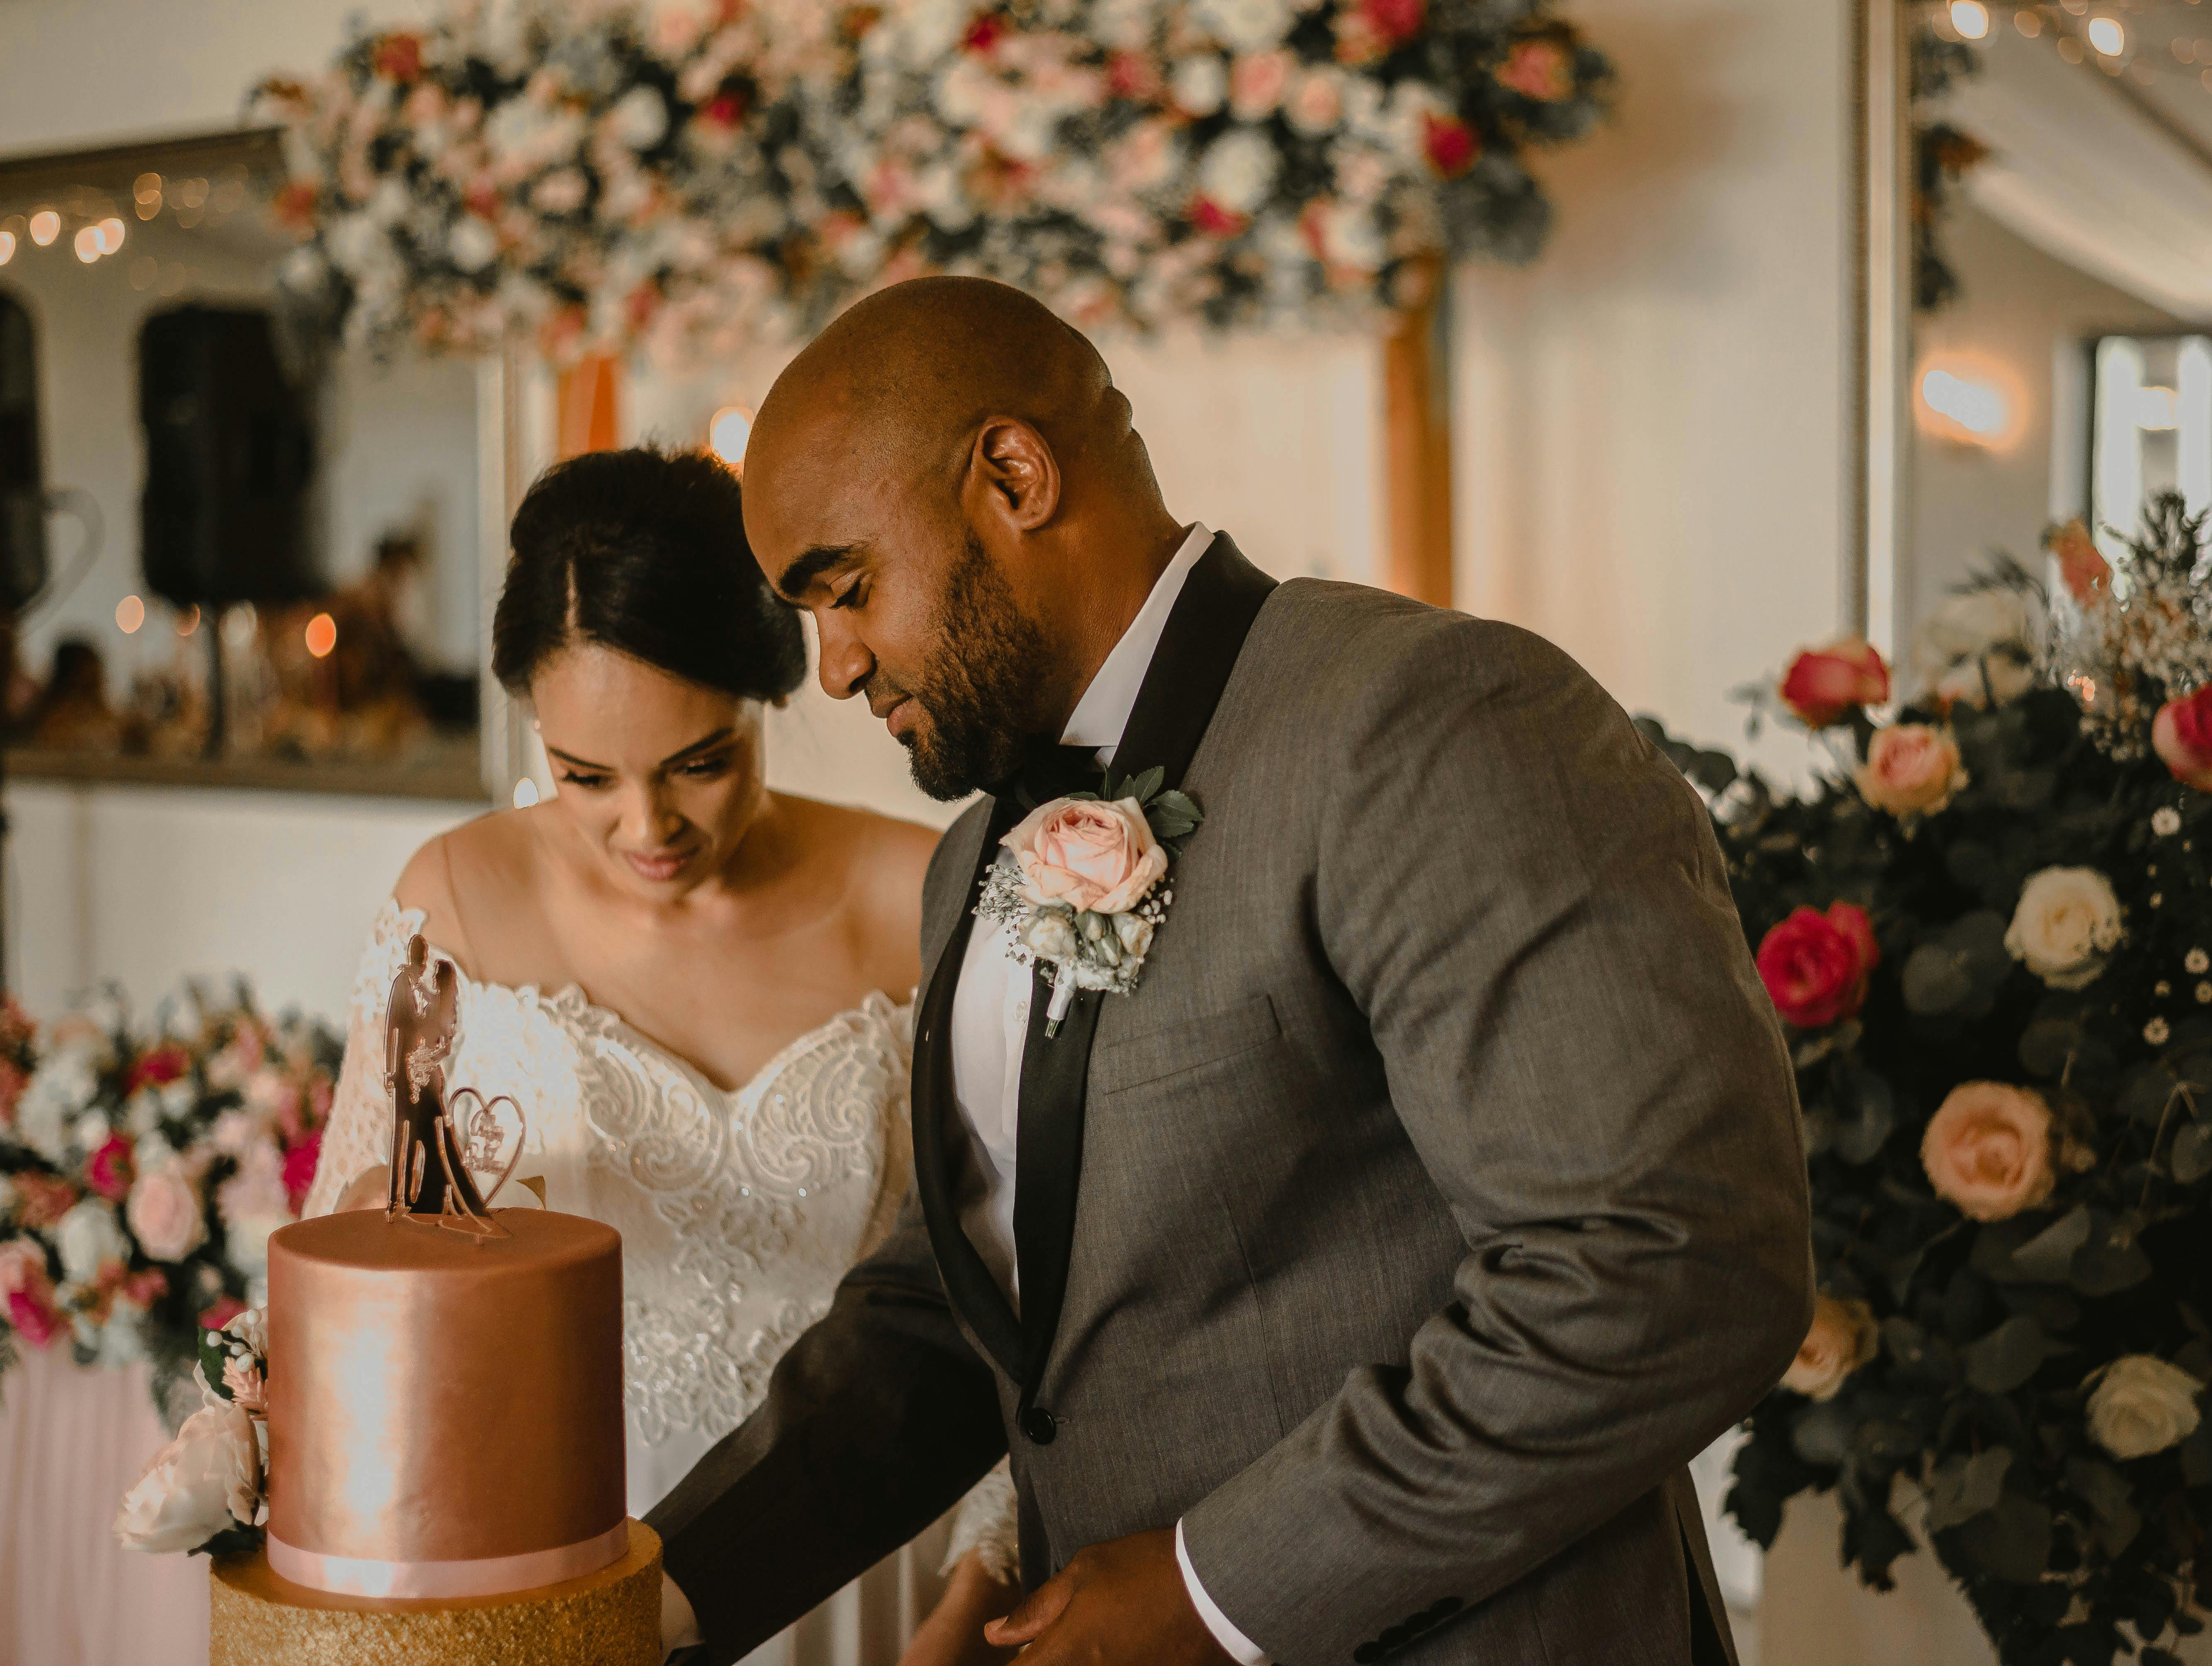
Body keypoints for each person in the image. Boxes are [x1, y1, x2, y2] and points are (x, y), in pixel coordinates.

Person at [647, 276, 1813, 1666]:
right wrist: (645, 1608)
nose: (833, 666)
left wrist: (1217, 1587)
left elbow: (1670, 1261)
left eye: (846, 588)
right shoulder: (972, 864)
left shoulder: (1432, 722)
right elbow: (965, 1318)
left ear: (1012, 475)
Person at [304, 446, 1021, 1666]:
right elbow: (354, 1275)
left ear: (767, 696)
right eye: (586, 777)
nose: (649, 828)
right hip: (559, 1559)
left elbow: (1014, 1288)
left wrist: (982, 1577)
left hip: (864, 1564)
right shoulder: (456, 904)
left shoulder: (925, 893)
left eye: (701, 762)